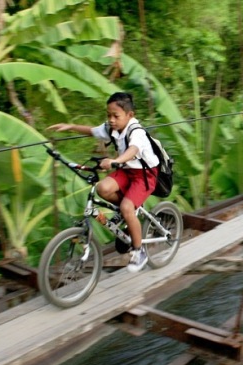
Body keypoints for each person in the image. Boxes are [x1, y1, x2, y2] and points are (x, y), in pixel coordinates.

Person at [47, 92, 159, 272]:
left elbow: (133, 150)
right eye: (109, 115)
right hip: (126, 170)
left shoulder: (136, 132)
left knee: (126, 208)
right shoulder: (111, 129)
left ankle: (139, 251)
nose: (111, 120)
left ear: (130, 115)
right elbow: (92, 131)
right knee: (103, 188)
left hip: (144, 174)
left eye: (116, 116)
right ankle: (128, 208)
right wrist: (69, 127)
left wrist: (115, 161)